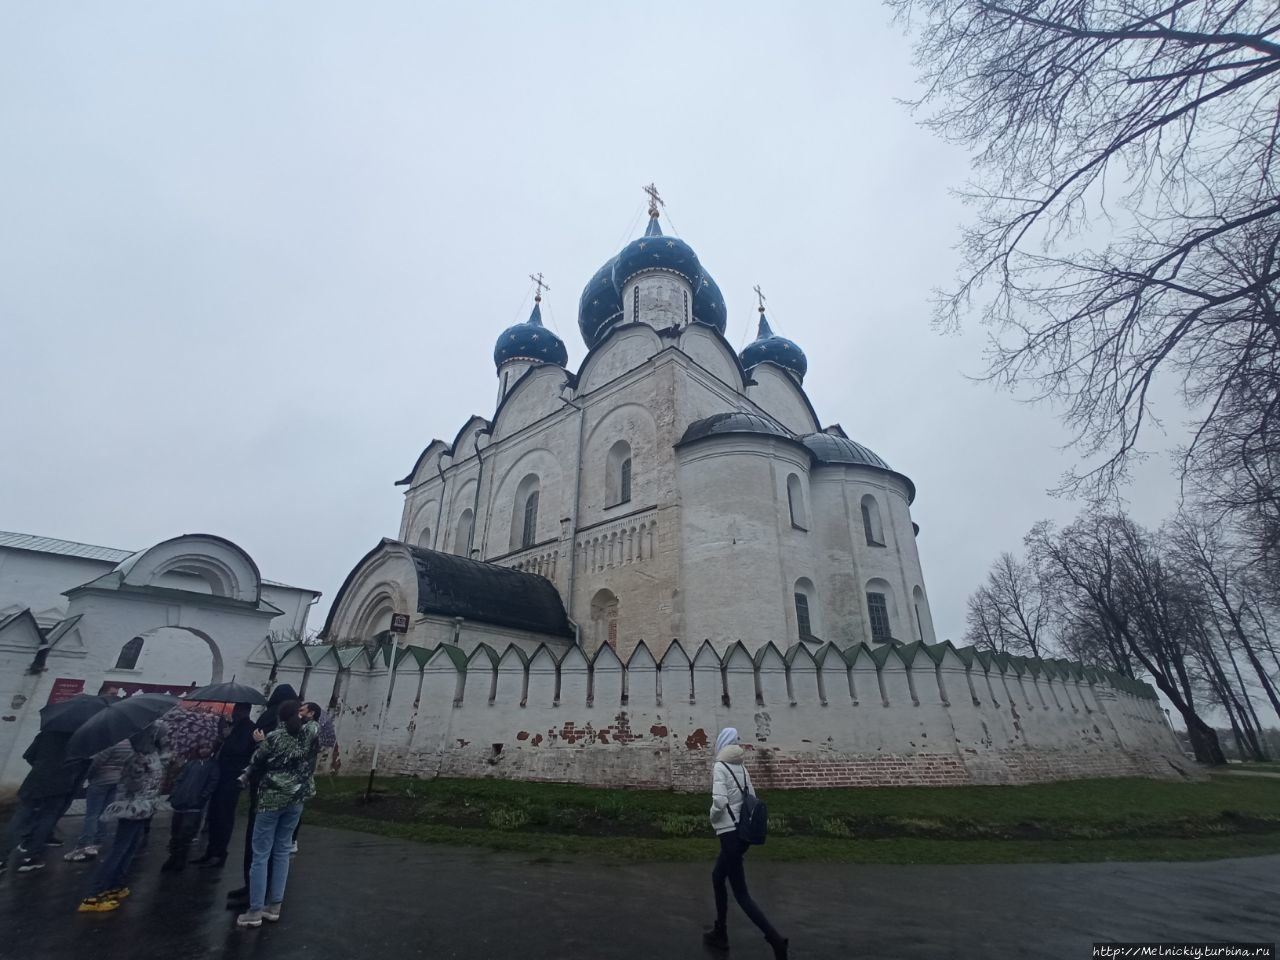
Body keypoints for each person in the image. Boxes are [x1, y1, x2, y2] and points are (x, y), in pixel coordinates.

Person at [703, 727, 787, 959]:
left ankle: (776, 941)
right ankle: (720, 931)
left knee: (741, 894)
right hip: (742, 835)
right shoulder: (742, 768)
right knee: (717, 877)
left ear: (721, 743)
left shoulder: (721, 767)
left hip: (729, 835)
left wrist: (711, 818)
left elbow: (719, 802)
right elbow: (751, 797)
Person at [236, 700, 317, 928]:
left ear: (279, 718)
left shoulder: (273, 738)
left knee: (260, 854)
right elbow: (315, 725)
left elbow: (256, 762)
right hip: (296, 799)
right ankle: (274, 906)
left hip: (271, 800)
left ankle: (254, 910)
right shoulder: (308, 734)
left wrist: (259, 742)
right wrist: (306, 716)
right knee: (282, 851)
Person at [77, 726, 167, 913]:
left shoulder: (153, 755)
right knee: (120, 848)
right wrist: (145, 771)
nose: (165, 739)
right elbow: (133, 784)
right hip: (132, 808)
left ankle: (115, 885)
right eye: (161, 736)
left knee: (131, 846)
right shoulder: (137, 759)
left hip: (145, 808)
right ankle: (95, 894)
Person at [226, 683, 297, 910]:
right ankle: (271, 897)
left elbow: (261, 754)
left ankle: (254, 895)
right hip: (291, 795)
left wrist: (258, 745)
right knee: (279, 846)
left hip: (266, 792)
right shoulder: (301, 728)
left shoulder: (269, 718)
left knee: (259, 845)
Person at [0, 729, 87, 874]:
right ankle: (30, 856)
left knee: (20, 817)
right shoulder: (82, 738)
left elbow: (29, 755)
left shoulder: (48, 731)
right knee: (47, 818)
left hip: (37, 778)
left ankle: (2, 858)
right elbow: (81, 764)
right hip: (61, 783)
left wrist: (41, 766)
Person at [193, 702, 255, 868]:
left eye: (238, 711)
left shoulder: (248, 728)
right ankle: (211, 850)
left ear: (244, 712)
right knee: (214, 814)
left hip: (232, 777)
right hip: (221, 775)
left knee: (224, 816)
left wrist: (227, 737)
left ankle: (219, 852)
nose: (234, 713)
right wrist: (222, 736)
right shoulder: (233, 726)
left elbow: (241, 750)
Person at [65, 740, 133, 862]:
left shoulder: (111, 743)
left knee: (92, 814)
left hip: (100, 781)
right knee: (104, 812)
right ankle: (98, 841)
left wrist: (87, 776)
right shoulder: (130, 744)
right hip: (117, 781)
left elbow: (96, 763)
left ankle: (85, 843)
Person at [161, 745, 220, 872]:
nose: (204, 750)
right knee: (175, 832)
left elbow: (212, 783)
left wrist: (202, 798)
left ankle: (181, 859)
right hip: (181, 802)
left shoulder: (212, 766)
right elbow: (180, 779)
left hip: (194, 805)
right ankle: (173, 856)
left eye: (208, 748)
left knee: (186, 832)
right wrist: (175, 794)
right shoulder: (191, 764)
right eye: (202, 747)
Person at [288, 701, 324, 855]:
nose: (299, 711)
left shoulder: (312, 727)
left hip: (301, 774)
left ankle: (292, 840)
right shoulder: (305, 726)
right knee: (292, 807)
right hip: (298, 772)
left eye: (302, 709)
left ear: (311, 713)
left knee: (296, 807)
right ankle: (289, 838)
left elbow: (302, 747)